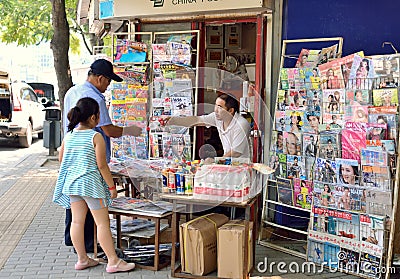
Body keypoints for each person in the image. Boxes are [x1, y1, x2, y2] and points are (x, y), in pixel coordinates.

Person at [63, 59, 142, 253]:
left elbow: (61, 152)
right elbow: (108, 135)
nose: (108, 86)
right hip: (90, 172)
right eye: (108, 82)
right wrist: (111, 187)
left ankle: (79, 250)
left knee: (75, 217)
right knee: (100, 220)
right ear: (100, 78)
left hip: (72, 165)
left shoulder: (72, 92)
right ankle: (106, 255)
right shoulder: (95, 105)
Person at [53, 98, 136, 273]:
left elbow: (61, 159)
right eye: (99, 114)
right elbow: (102, 165)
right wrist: (112, 187)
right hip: (90, 185)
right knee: (102, 223)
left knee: (76, 221)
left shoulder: (70, 135)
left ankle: (82, 259)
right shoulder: (95, 136)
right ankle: (113, 261)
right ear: (93, 117)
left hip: (72, 185)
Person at [167, 93, 251, 159]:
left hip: (241, 168)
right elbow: (197, 120)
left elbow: (236, 152)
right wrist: (172, 120)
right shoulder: (217, 117)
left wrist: (216, 163)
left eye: (220, 107)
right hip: (228, 165)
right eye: (215, 105)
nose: (216, 110)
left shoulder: (241, 124)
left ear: (230, 111)